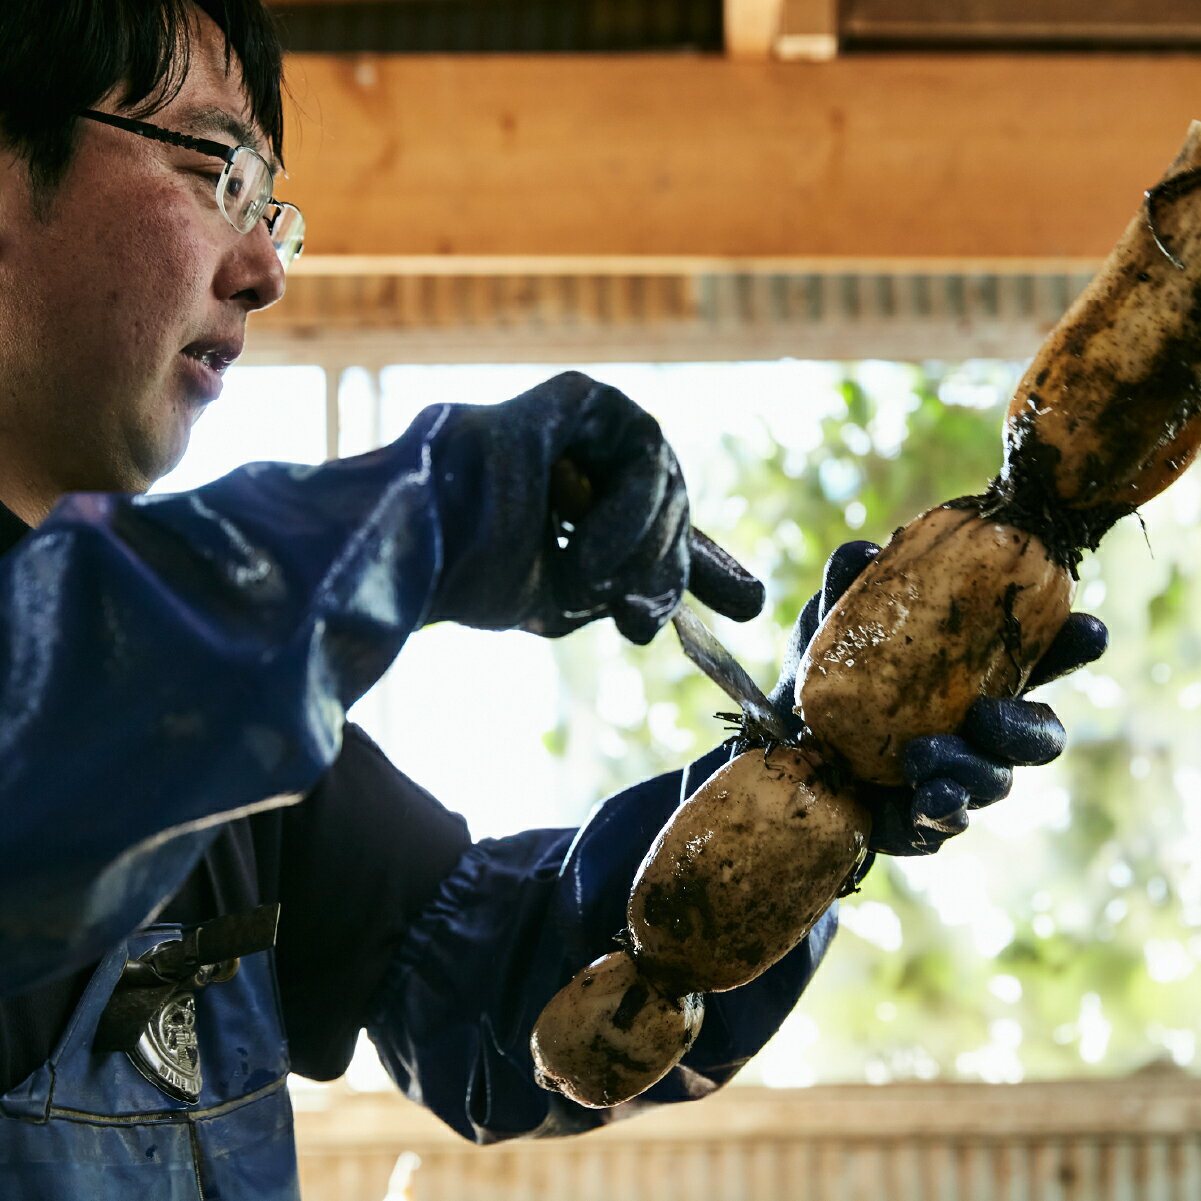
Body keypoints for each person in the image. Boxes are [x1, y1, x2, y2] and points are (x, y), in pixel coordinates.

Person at [0, 2, 1106, 1197]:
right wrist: (432, 508)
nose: (264, 269)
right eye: (219, 173)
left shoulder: (212, 742)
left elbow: (500, 991)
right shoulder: (139, 692)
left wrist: (812, 783)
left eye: (271, 211)